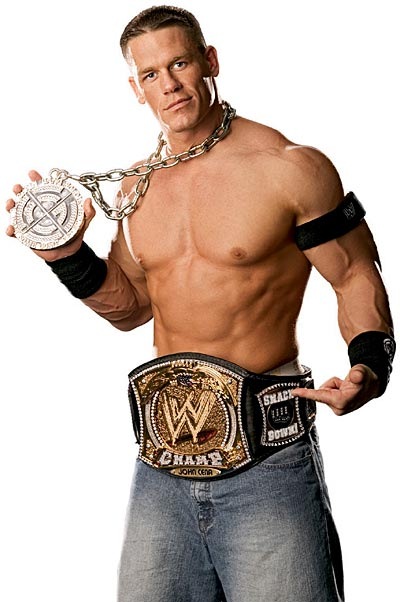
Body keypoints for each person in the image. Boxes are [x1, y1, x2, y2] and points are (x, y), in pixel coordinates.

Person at [6, 5, 395, 602]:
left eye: (180, 64)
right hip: (160, 466)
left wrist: (369, 365)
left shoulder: (290, 168)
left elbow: (354, 275)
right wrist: (68, 257)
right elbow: (131, 309)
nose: (169, 84)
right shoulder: (136, 185)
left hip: (269, 462)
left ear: (209, 62)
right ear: (136, 89)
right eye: (151, 74)